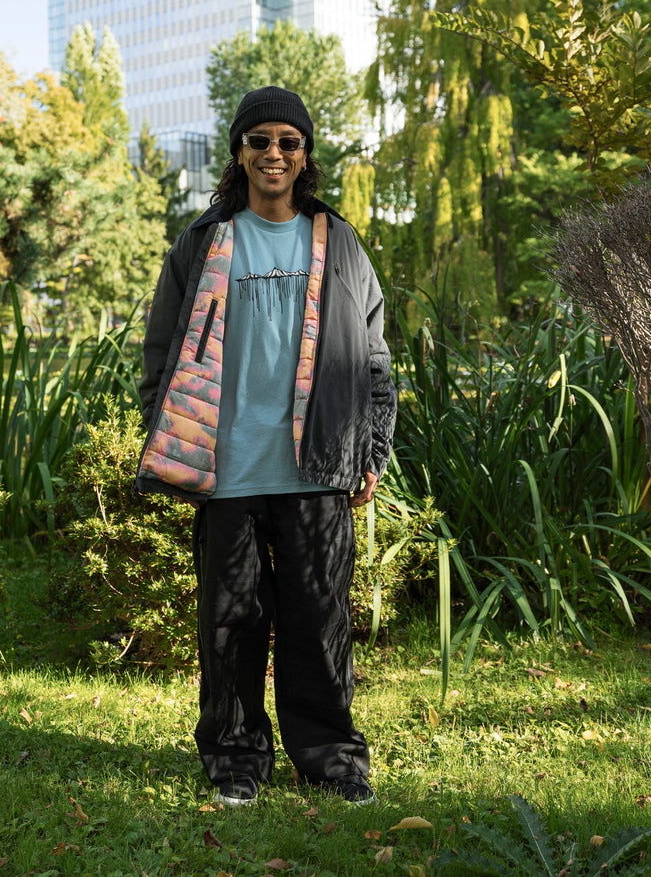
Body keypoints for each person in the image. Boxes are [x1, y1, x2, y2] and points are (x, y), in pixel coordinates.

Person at [136, 86, 397, 807]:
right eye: (259, 140)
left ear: (305, 155)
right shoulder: (203, 241)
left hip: (316, 467)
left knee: (319, 621)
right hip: (227, 469)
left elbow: (372, 355)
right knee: (231, 624)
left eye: (288, 141)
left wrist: (370, 449)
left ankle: (331, 758)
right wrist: (168, 434)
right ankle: (235, 757)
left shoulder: (337, 241)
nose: (273, 153)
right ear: (239, 152)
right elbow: (161, 352)